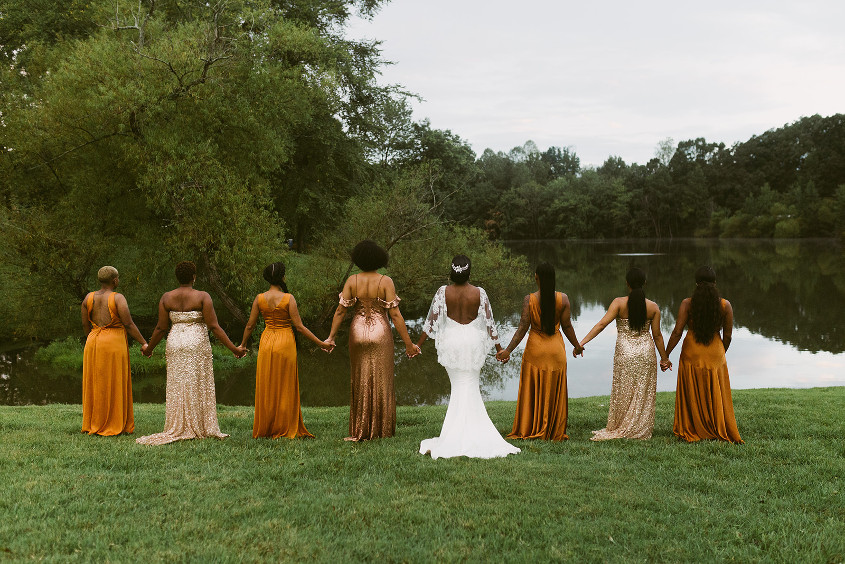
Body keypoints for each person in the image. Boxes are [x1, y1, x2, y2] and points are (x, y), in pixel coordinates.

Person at [417, 255, 520, 459]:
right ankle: (474, 433)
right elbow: (489, 323)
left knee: (458, 386)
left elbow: (431, 322)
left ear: (452, 272)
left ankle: (454, 435)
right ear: (469, 272)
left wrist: (417, 345)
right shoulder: (479, 293)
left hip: (452, 343)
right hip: (473, 343)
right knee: (470, 385)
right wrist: (499, 348)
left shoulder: (443, 292)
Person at [136, 261, 245, 445]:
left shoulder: (166, 297)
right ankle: (199, 425)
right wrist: (235, 349)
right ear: (194, 277)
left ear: (177, 277)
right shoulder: (202, 296)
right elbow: (214, 327)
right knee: (197, 382)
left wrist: (149, 349)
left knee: (178, 383)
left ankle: (179, 425)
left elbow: (161, 328)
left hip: (175, 342)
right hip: (196, 342)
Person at [325, 240, 420, 441]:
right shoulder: (386, 281)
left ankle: (360, 428)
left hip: (357, 331)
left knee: (359, 377)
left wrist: (331, 337)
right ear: (379, 258)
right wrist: (409, 344)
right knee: (382, 378)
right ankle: (381, 429)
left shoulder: (352, 280)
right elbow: (395, 315)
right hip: (380, 331)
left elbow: (341, 311)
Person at [240, 262, 332, 439]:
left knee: (267, 383)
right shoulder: (288, 298)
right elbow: (300, 327)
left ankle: (267, 426)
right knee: (285, 384)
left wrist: (242, 345)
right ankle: (284, 425)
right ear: (282, 277)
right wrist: (320, 343)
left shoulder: (259, 298)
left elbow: (250, 325)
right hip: (285, 342)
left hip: (267, 341)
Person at [578, 267, 670, 441]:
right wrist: (664, 359)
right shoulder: (653, 307)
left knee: (624, 389)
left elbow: (601, 325)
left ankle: (621, 425)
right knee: (642, 390)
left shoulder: (618, 303)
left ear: (627, 283)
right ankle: (638, 426)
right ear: (644, 283)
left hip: (624, 352)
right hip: (646, 352)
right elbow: (657, 335)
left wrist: (582, 343)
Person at [497, 262, 583, 441]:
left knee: (534, 389)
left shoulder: (529, 300)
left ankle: (531, 427)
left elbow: (522, 328)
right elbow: (567, 326)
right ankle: (553, 429)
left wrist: (508, 350)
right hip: (556, 351)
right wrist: (577, 346)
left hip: (535, 351)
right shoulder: (564, 299)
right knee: (553, 390)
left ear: (536, 277)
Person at [665, 265, 743, 443]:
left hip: (692, 351)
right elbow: (728, 336)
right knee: (714, 389)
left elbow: (677, 332)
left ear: (696, 283)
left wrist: (666, 355)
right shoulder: (725, 305)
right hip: (715, 350)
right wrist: (721, 352)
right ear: (715, 283)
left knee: (692, 389)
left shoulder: (687, 303)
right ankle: (714, 425)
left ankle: (693, 426)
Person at [80, 266, 147, 436]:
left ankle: (93, 423)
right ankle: (113, 423)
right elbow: (129, 324)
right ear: (114, 280)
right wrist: (144, 343)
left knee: (96, 383)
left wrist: (93, 340)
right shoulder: (118, 298)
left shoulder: (88, 298)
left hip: (93, 341)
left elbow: (85, 325)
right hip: (113, 343)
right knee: (114, 381)